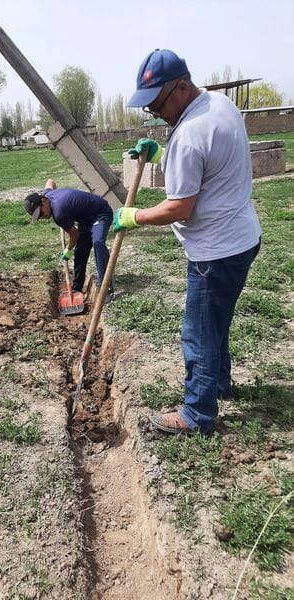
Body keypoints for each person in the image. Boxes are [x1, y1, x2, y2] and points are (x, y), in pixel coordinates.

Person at [114, 49, 261, 435]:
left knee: (198, 333)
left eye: (157, 104)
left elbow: (180, 207)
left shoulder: (190, 132)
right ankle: (219, 382)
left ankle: (197, 414)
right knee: (216, 322)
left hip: (216, 251)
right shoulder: (219, 105)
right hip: (242, 238)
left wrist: (134, 216)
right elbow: (208, 161)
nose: (155, 113)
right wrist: (161, 154)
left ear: (181, 87)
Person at [24, 179, 115, 303]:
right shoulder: (46, 194)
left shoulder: (59, 213)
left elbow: (74, 235)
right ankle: (77, 287)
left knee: (98, 242)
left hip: (101, 213)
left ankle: (106, 287)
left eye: (40, 213)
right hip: (85, 219)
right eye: (38, 217)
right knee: (80, 251)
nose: (42, 217)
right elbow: (50, 181)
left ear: (44, 201)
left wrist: (68, 249)